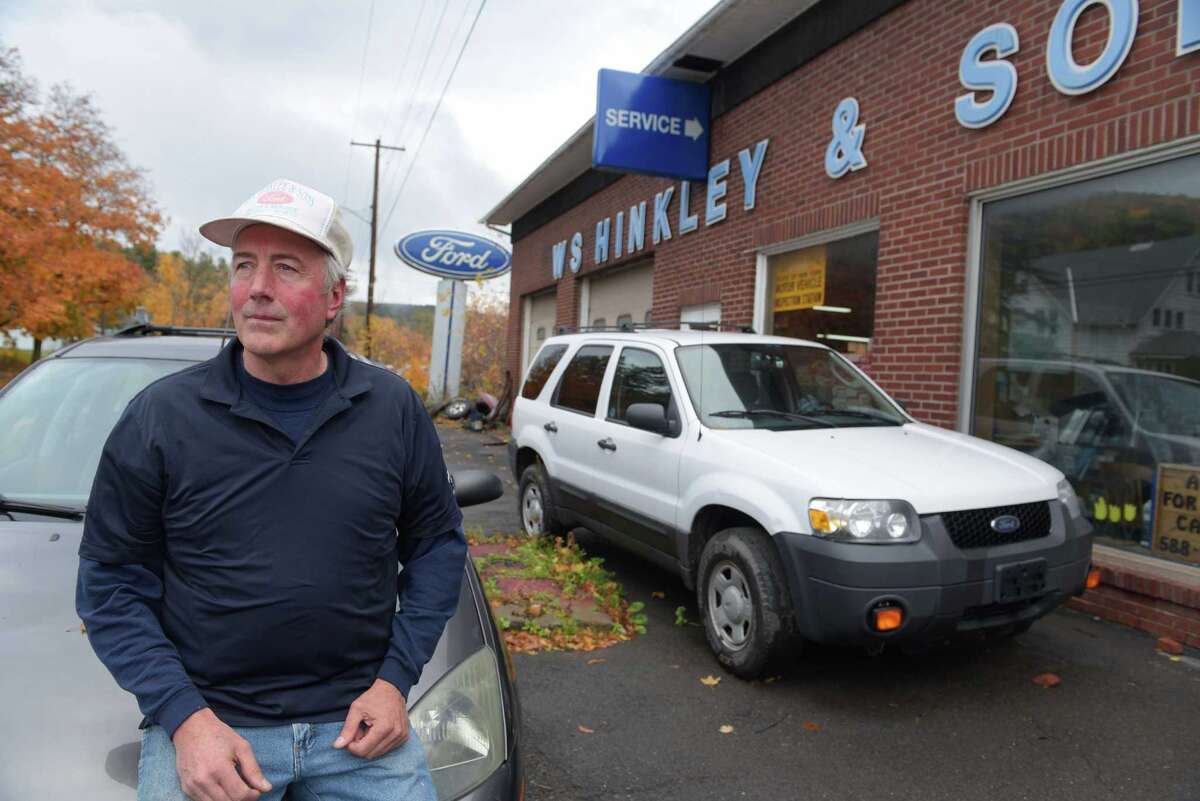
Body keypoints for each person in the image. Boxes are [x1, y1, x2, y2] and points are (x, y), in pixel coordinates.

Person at [76, 178, 466, 801]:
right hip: (214, 731)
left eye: (286, 268)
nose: (257, 287)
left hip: (359, 733)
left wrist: (395, 682)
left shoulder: (391, 408)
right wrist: (185, 719)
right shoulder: (161, 418)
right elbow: (110, 582)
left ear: (335, 295)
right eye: (243, 266)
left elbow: (438, 547)